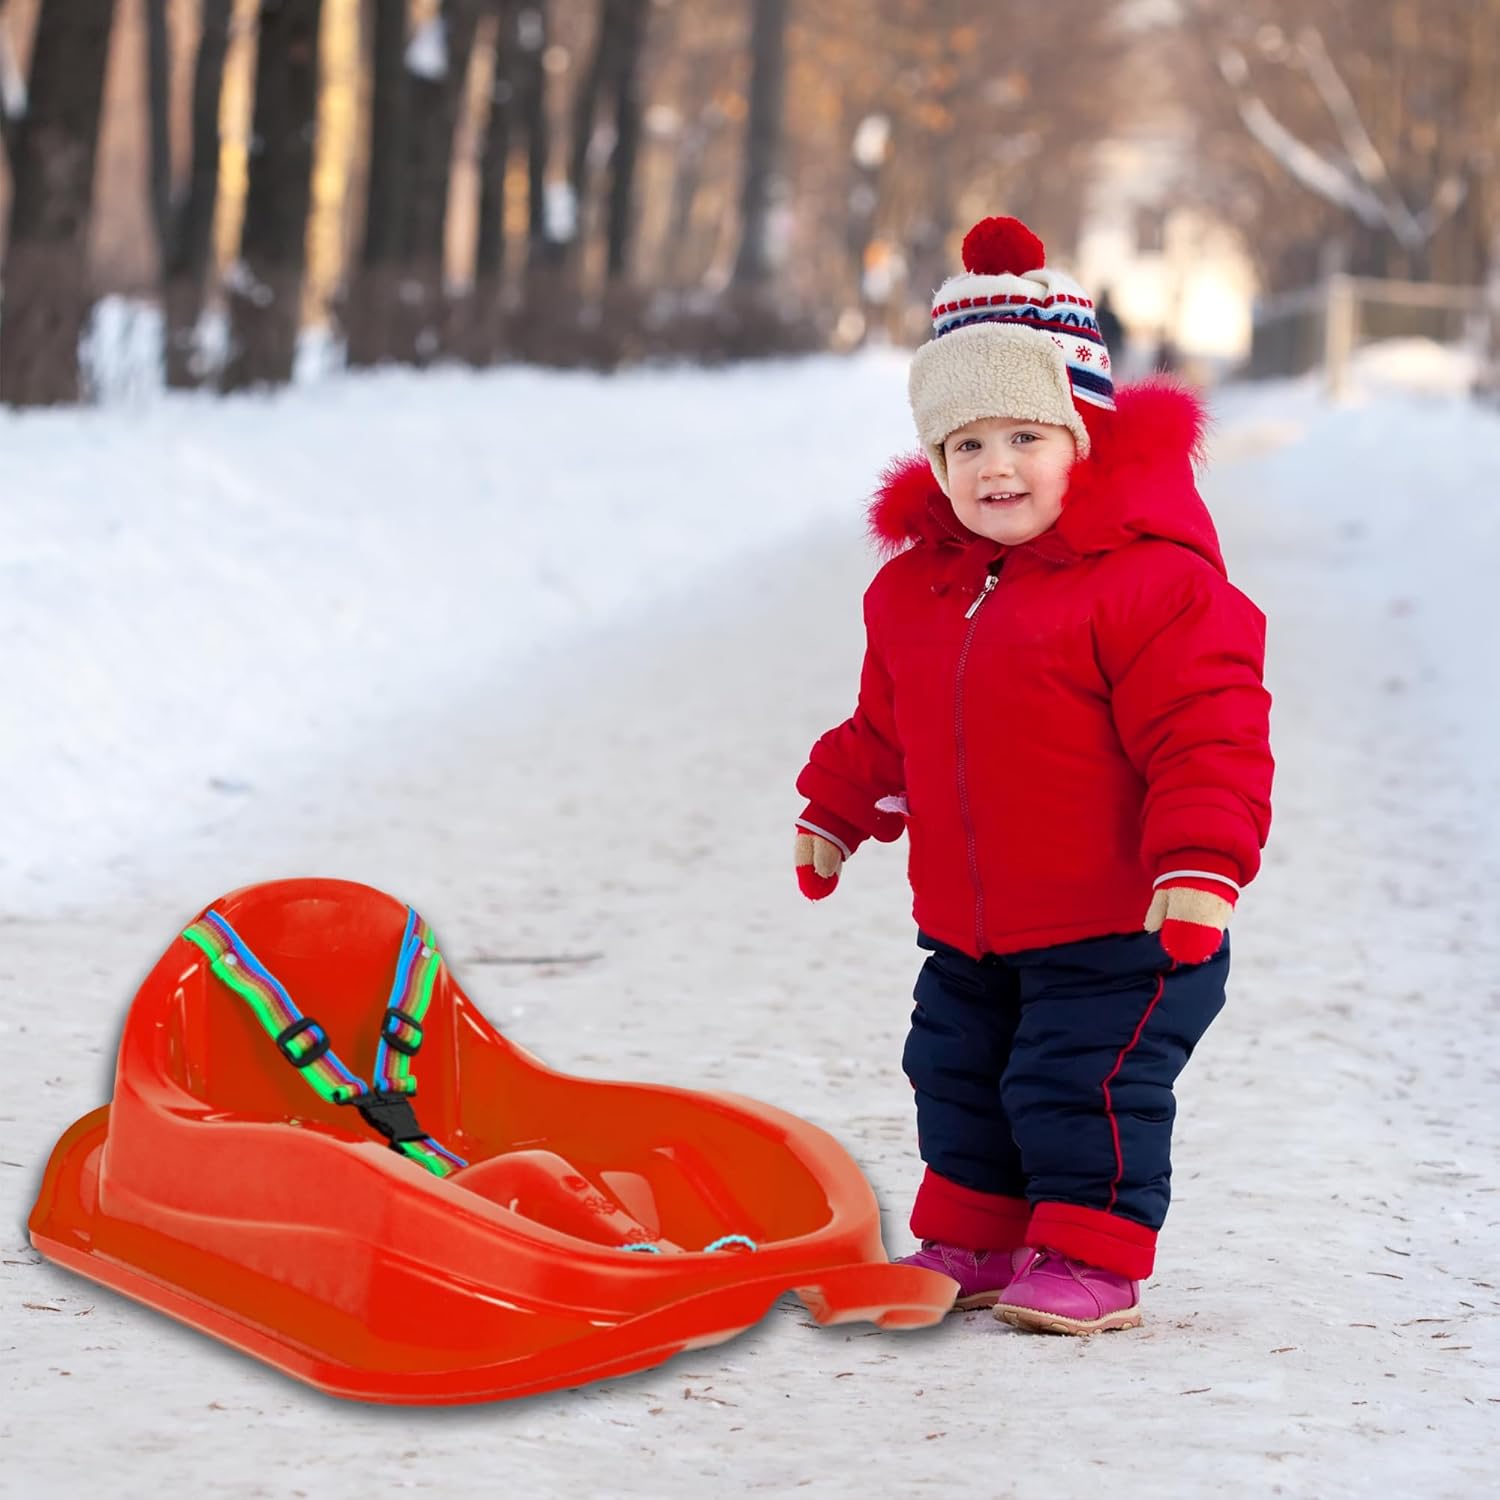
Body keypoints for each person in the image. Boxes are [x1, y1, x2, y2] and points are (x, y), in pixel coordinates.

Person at [791, 215, 1273, 1336]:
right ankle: (976, 1233)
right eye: (964, 444)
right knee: (957, 1071)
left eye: (1025, 435)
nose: (994, 466)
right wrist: (840, 805)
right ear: (934, 463)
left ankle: (1092, 1252)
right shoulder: (914, 592)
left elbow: (1208, 733)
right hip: (972, 926)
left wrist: (1200, 863)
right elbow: (889, 724)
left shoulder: (1152, 585)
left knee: (1079, 1082)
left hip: (1121, 927)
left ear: (1083, 438)